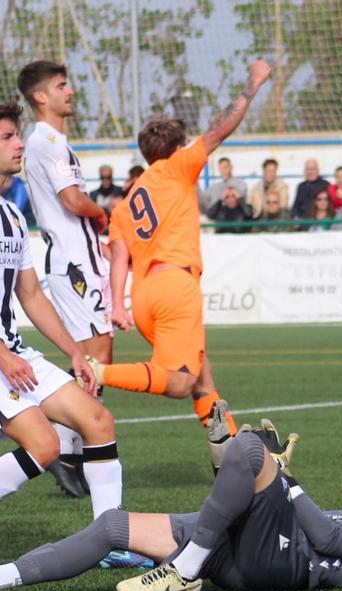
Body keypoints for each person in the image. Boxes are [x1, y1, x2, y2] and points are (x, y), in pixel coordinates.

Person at [0, 103, 136, 569]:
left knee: (98, 422)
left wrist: (76, 354)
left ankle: (109, 541)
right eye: (8, 137)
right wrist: (0, 353)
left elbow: (32, 295)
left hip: (11, 351)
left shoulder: (13, 216)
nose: (20, 144)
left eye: (18, 135)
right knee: (45, 445)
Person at [0, 411, 342, 591]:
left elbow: (328, 542)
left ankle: (185, 567)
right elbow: (266, 503)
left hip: (282, 565)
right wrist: (230, 460)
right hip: (249, 553)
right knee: (112, 525)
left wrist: (282, 476)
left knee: (251, 448)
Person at [99, 59, 272, 456]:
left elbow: (118, 257)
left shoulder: (126, 203)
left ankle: (228, 454)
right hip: (176, 285)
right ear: (177, 148)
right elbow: (221, 127)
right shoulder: (178, 167)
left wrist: (117, 306)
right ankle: (93, 374)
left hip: (144, 298)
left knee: (201, 379)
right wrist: (253, 83)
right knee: (178, 380)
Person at [18, 60, 117, 501]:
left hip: (81, 258)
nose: (70, 91)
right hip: (75, 263)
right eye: (61, 86)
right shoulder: (47, 141)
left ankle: (72, 447)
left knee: (98, 355)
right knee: (93, 357)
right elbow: (73, 199)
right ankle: (67, 449)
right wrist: (103, 213)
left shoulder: (53, 141)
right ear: (41, 97)